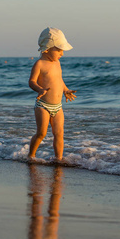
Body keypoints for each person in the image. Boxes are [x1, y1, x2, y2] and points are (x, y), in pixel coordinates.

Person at [28, 27, 77, 160]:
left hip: (58, 106)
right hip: (43, 105)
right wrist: (39, 89)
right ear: (48, 47)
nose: (62, 53)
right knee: (41, 133)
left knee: (59, 133)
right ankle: (31, 156)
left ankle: (58, 159)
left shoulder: (57, 63)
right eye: (59, 49)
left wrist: (65, 90)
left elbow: (59, 80)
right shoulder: (39, 64)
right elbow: (31, 81)